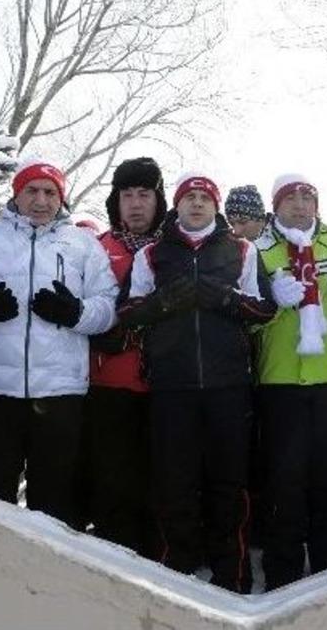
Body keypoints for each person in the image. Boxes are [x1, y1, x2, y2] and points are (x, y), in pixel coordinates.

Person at [120, 171, 276, 594]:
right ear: (177, 204)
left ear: (215, 205)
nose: (196, 203)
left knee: (230, 484)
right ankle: (176, 575)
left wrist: (225, 298)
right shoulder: (152, 253)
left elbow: (265, 308)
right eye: (188, 197)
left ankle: (234, 577)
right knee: (175, 483)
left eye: (204, 197)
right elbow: (128, 311)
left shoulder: (241, 249)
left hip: (229, 387)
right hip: (172, 387)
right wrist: (164, 302)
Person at [0, 158, 118, 527]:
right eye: (32, 191)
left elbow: (107, 307)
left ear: (61, 198)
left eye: (50, 192)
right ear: (17, 195)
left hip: (60, 394)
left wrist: (76, 313)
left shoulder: (83, 244)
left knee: (55, 501)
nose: (41, 200)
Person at [254, 173, 327, 589]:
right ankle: (282, 580)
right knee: (284, 486)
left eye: (307, 199)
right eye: (291, 199)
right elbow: (246, 323)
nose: (300, 206)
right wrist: (270, 304)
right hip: (281, 382)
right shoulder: (258, 252)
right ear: (276, 206)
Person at [83, 157, 167, 555]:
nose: (135, 204)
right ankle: (113, 560)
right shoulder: (96, 248)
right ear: (115, 202)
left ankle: (157, 563)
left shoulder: (175, 247)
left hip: (166, 383)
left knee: (160, 478)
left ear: (159, 200)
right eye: (126, 195)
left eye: (144, 194)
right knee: (113, 479)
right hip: (109, 381)